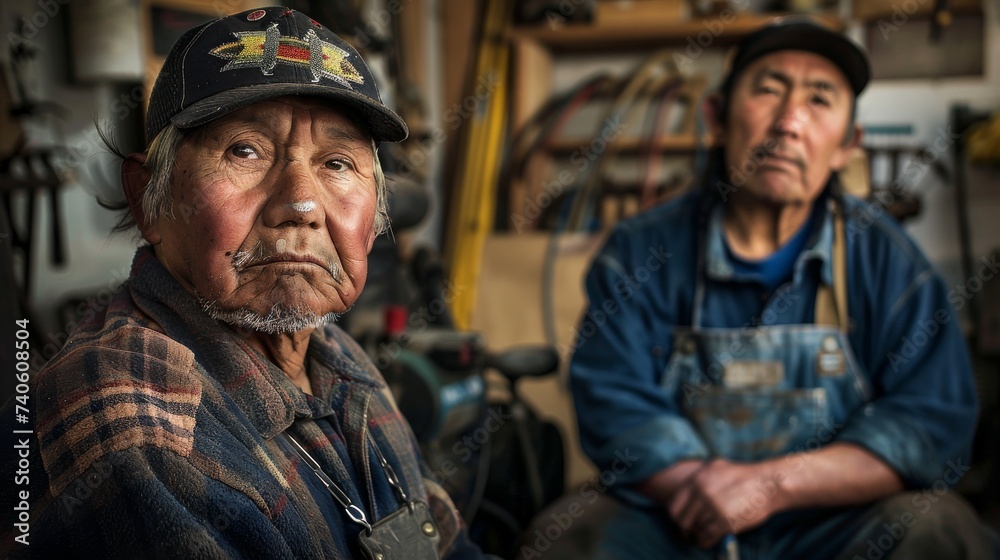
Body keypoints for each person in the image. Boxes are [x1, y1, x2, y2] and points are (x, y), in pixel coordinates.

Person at [1, 7, 483, 559]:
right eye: (244, 150)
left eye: (338, 163)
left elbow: (449, 545)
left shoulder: (330, 350)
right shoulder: (135, 428)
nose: (302, 204)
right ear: (147, 199)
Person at [565, 17, 998, 559]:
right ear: (717, 119)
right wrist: (701, 490)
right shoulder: (641, 251)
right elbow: (613, 397)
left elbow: (930, 419)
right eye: (768, 90)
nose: (789, 122)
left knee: (937, 530)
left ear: (847, 145)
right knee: (575, 536)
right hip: (681, 518)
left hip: (836, 526)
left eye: (820, 101)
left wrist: (774, 485)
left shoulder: (885, 258)